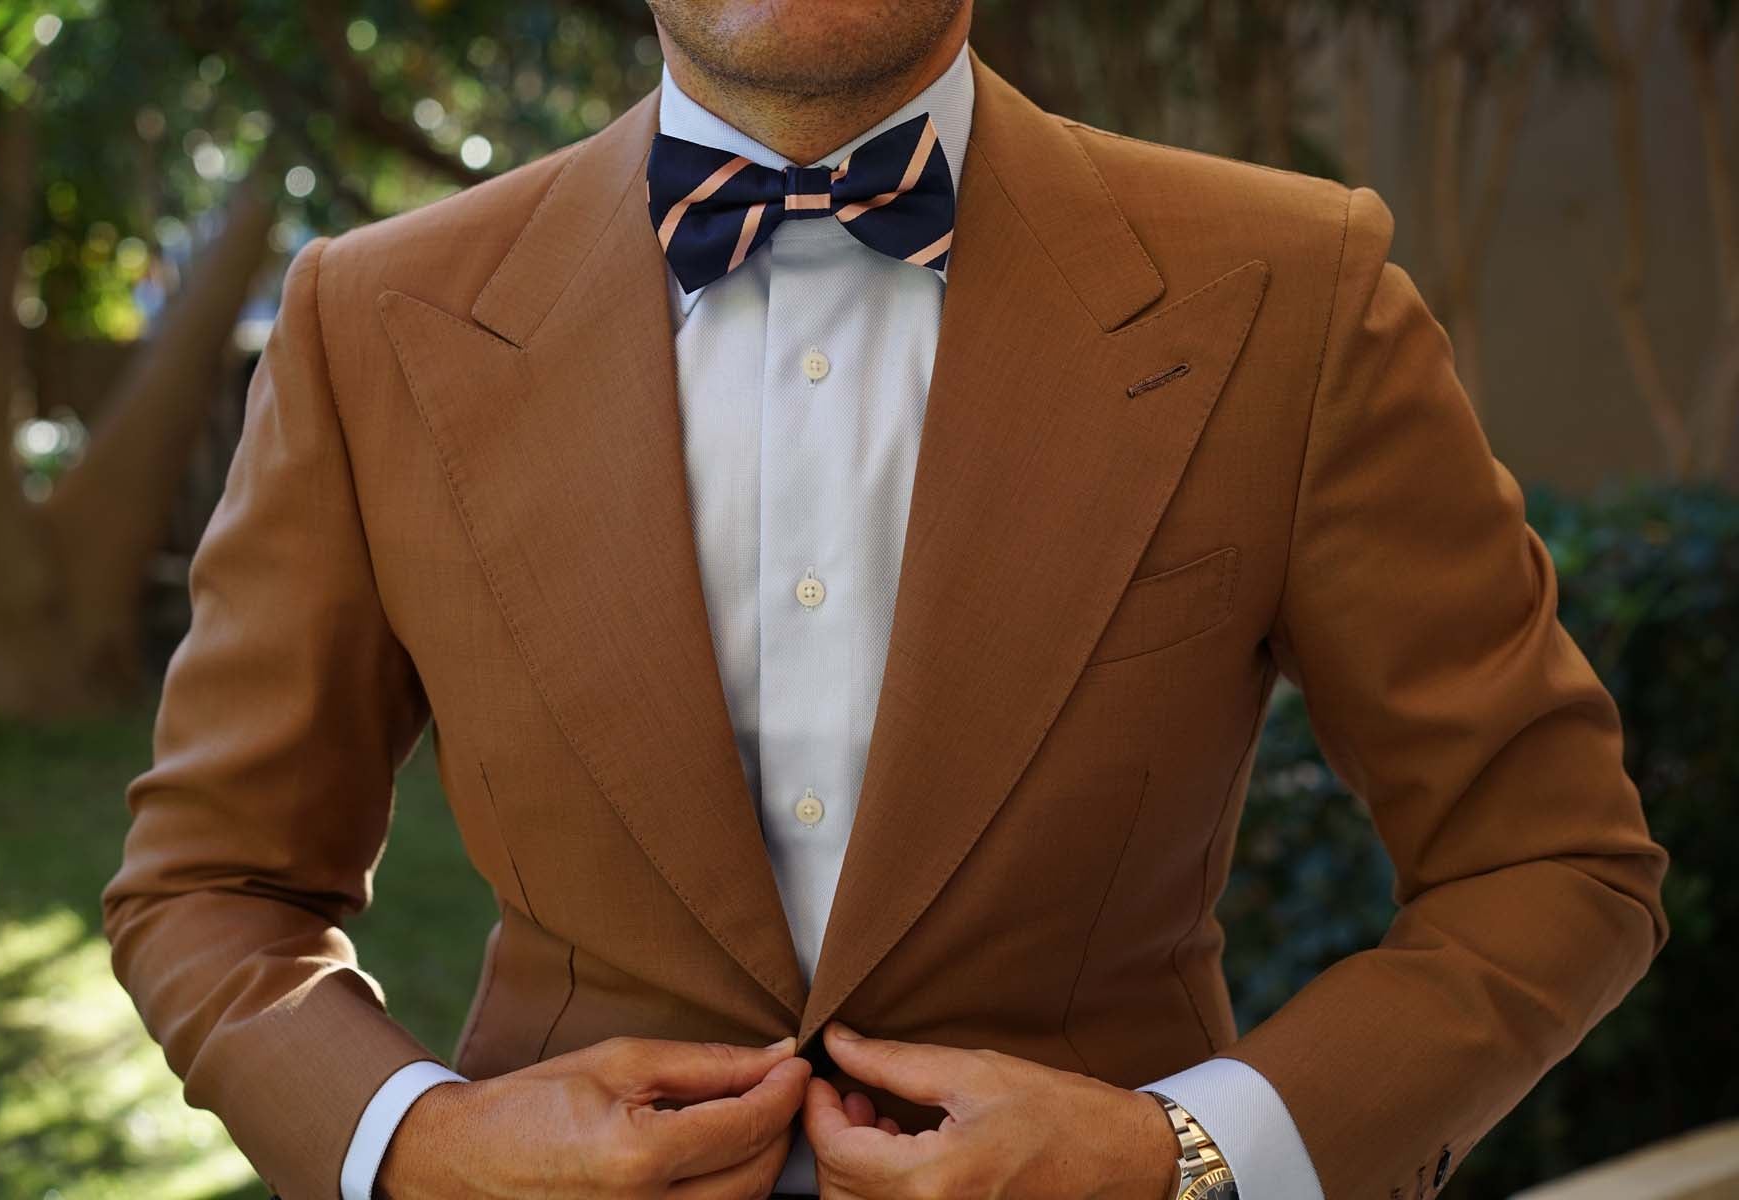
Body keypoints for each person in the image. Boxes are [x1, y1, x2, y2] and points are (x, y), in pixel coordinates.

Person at [102, 1, 1671, 1197]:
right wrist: (421, 1145)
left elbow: (1548, 861)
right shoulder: (371, 322)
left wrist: (1182, 1154)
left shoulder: (1296, 291)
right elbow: (213, 889)